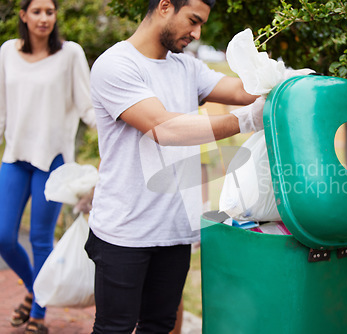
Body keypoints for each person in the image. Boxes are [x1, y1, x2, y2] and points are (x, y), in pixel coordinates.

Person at [86, 0, 309, 333]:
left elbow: (238, 88)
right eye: (193, 20)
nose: (197, 32)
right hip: (125, 232)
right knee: (114, 327)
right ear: (164, 6)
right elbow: (164, 128)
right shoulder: (116, 65)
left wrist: (288, 81)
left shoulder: (186, 67)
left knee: (159, 325)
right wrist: (246, 120)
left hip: (175, 230)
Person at [0, 0, 96, 333]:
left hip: (52, 161)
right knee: (3, 237)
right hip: (14, 157)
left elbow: (88, 107)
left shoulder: (70, 54)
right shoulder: (6, 53)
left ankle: (38, 315)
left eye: (49, 12)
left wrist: (116, 132)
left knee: (41, 239)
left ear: (56, 17)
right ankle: (33, 288)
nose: (44, 18)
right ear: (23, 16)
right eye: (37, 11)